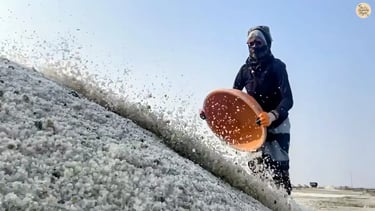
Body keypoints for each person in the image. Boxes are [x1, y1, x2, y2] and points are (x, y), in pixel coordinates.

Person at [199, 25, 294, 195]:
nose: (255, 46)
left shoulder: (277, 66)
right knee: (257, 168)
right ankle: (261, 202)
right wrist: (211, 112)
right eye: (251, 42)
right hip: (256, 125)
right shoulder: (244, 71)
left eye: (259, 42)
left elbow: (288, 99)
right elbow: (231, 99)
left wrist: (272, 115)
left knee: (278, 168)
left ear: (267, 44)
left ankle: (285, 203)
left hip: (278, 122)